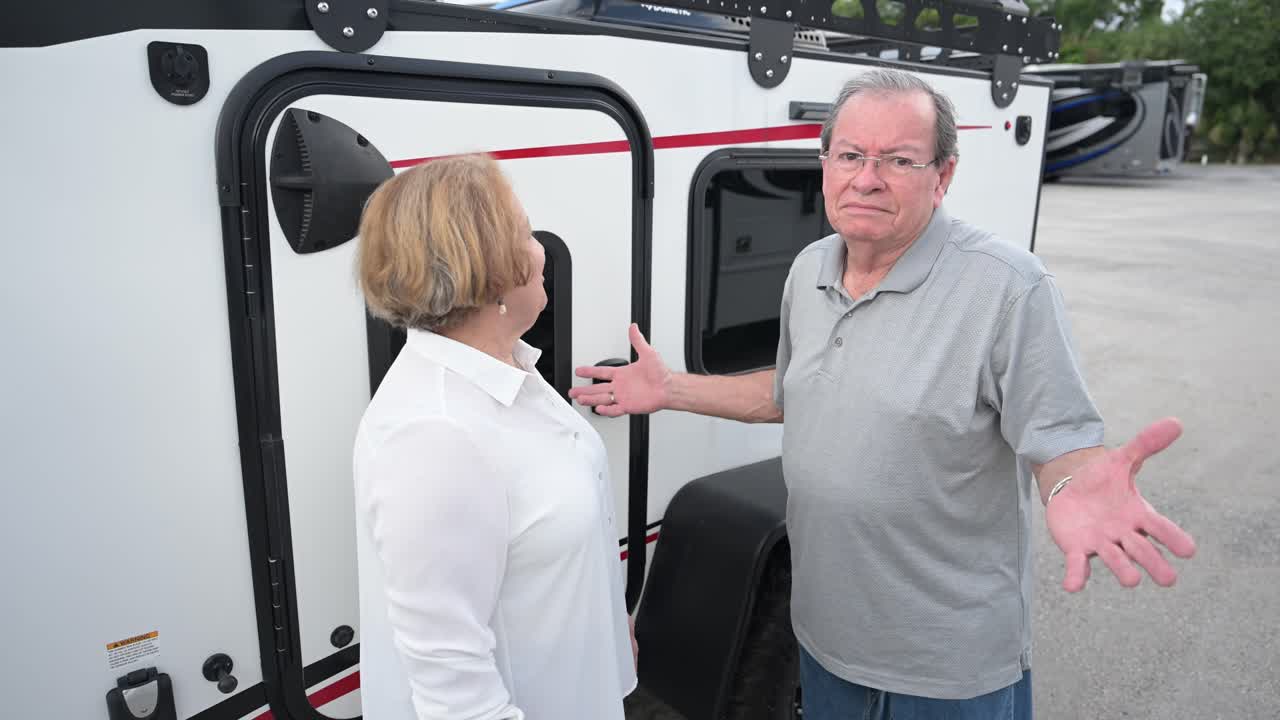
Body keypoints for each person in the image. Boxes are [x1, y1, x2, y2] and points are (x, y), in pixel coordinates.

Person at [569, 69, 1196, 719]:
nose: (866, 178)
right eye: (850, 155)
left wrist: (1071, 483)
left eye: (898, 159)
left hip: (946, 666)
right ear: (825, 164)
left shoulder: (1010, 288)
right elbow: (789, 394)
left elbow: (1059, 443)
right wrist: (668, 387)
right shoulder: (810, 268)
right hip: (823, 638)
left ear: (943, 175)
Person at [352, 154, 636, 720]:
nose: (541, 253)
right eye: (527, 233)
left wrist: (608, 626)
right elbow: (453, 689)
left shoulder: (506, 371)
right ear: (490, 267)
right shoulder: (434, 435)